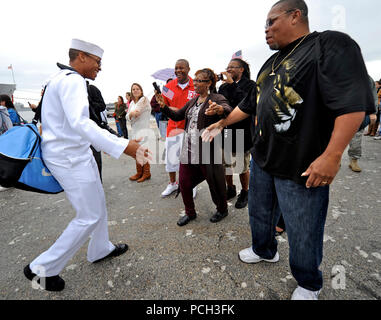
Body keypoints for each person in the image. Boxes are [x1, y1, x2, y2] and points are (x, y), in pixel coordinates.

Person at [202, 0, 374, 300]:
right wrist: (221, 123)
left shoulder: (329, 44)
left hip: (304, 163)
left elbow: (354, 103)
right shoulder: (269, 64)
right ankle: (264, 250)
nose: (266, 30)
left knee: (302, 228)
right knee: (259, 213)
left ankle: (309, 283)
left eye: (271, 22)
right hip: (264, 157)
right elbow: (249, 105)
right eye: (264, 25)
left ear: (295, 16)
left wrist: (332, 156)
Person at [23, 39, 151, 292]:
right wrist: (126, 147)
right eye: (97, 62)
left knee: (98, 203)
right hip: (69, 158)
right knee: (88, 215)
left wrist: (119, 140)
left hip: (75, 154)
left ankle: (100, 248)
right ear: (81, 56)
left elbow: (81, 124)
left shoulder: (58, 79)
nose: (99, 68)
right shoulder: (71, 81)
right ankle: (41, 268)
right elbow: (80, 123)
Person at [157, 68, 232, 226]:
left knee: (215, 183)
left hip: (207, 151)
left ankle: (222, 209)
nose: (195, 83)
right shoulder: (193, 100)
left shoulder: (216, 98)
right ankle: (190, 213)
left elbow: (227, 109)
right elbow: (178, 116)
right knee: (184, 183)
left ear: (209, 83)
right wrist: (164, 107)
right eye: (195, 80)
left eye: (199, 80)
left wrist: (219, 109)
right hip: (189, 150)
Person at [218, 59, 256, 209]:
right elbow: (219, 102)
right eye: (227, 67)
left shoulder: (251, 85)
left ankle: (245, 192)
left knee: (242, 166)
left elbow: (246, 103)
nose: (229, 70)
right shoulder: (223, 87)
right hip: (226, 130)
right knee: (226, 164)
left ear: (241, 69)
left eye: (232, 67)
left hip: (243, 130)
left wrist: (232, 84)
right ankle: (231, 188)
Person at [160, 60, 197, 199]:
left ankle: (192, 185)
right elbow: (163, 107)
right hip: (173, 127)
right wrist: (169, 109)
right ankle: (172, 183)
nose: (178, 70)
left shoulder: (196, 85)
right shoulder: (168, 87)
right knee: (171, 158)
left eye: (181, 68)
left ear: (188, 69)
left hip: (191, 128)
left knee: (190, 159)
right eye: (176, 68)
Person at [348, 76, 378, 172]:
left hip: (358, 112)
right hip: (339, 112)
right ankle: (336, 160)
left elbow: (373, 95)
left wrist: (373, 112)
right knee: (334, 139)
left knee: (356, 139)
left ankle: (354, 160)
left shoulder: (365, 77)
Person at [127, 83, 152, 183]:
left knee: (142, 152)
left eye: (137, 89)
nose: (135, 90)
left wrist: (131, 114)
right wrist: (131, 114)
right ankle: (139, 172)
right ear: (131, 91)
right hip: (135, 131)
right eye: (133, 89)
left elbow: (137, 113)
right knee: (136, 152)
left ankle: (146, 173)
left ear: (141, 91)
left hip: (143, 130)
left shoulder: (144, 99)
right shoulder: (132, 103)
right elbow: (127, 117)